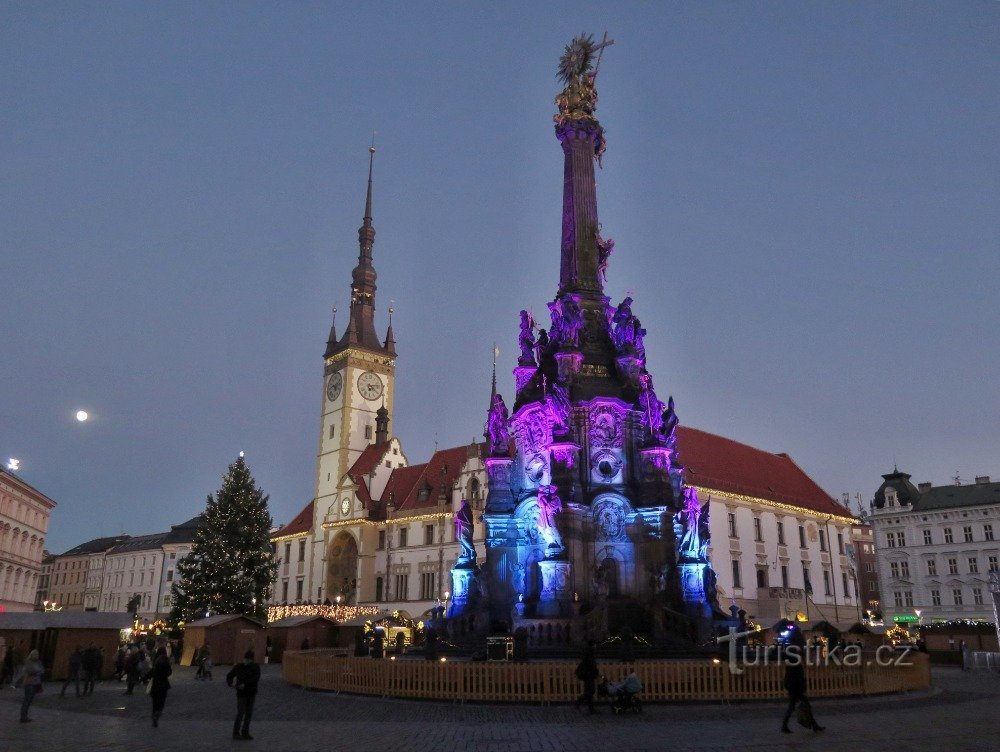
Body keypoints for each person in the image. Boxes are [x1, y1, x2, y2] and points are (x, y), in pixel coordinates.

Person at [781, 625, 824, 734]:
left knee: (793, 706)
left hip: (792, 681)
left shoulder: (790, 648)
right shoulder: (794, 650)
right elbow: (796, 668)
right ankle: (814, 726)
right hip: (795, 682)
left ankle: (786, 726)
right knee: (801, 704)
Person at [226, 650, 261, 740]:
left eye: (247, 659)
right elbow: (229, 676)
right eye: (246, 659)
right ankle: (238, 733)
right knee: (242, 713)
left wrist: (243, 684)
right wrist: (231, 684)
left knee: (246, 714)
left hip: (248, 693)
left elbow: (255, 678)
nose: (246, 661)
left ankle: (244, 733)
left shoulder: (254, 667)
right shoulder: (240, 666)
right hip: (244, 693)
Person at [14, 648, 45, 722]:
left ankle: (25, 716)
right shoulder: (29, 662)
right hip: (29, 683)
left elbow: (42, 670)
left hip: (36, 683)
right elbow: (30, 671)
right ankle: (23, 717)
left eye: (37, 654)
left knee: (30, 700)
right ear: (31, 655)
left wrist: (38, 671)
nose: (37, 656)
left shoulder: (38, 662)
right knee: (27, 700)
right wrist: (37, 671)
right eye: (35, 654)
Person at [147, 647, 172, 727]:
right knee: (161, 703)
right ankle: (157, 716)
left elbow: (152, 672)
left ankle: (154, 716)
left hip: (155, 684)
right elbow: (169, 673)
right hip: (163, 685)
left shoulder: (156, 661)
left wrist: (145, 677)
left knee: (155, 703)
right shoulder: (166, 661)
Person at [574, 641, 600, 714]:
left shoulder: (587, 652)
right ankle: (587, 707)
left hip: (587, 675)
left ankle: (582, 704)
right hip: (589, 675)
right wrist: (596, 672)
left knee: (589, 691)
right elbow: (591, 664)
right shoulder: (590, 653)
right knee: (590, 691)